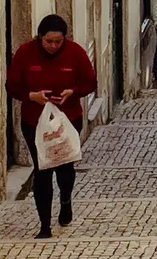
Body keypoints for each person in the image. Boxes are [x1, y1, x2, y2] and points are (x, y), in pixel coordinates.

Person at [6, 14, 96, 239]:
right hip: (35, 121)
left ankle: (66, 200)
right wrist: (32, 96)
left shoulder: (75, 53)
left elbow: (90, 82)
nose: (53, 46)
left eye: (58, 41)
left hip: (68, 118)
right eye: (49, 41)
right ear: (40, 38)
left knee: (65, 166)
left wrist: (73, 92)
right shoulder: (25, 53)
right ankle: (44, 225)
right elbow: (12, 85)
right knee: (42, 169)